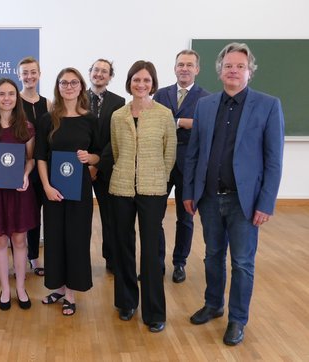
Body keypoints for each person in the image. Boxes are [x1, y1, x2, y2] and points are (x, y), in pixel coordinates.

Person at [183, 42, 284, 346]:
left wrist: (266, 202)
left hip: (245, 202)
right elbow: (194, 153)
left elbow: (274, 160)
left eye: (240, 66)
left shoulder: (268, 105)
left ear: (249, 71)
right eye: (228, 65)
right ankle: (214, 304)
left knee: (241, 262)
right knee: (212, 255)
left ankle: (237, 319)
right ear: (220, 70)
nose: (233, 71)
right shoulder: (205, 105)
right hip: (210, 197)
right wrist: (189, 191)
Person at [109, 60, 176, 333]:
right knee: (123, 246)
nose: (141, 84)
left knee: (151, 251)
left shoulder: (164, 114)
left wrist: (156, 176)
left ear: (153, 84)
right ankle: (126, 302)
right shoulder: (118, 115)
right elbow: (115, 150)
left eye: (146, 80)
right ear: (129, 82)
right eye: (137, 80)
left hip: (153, 189)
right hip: (122, 187)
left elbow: (169, 154)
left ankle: (154, 312)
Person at [35, 67, 101, 316]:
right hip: (52, 190)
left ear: (81, 87)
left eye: (74, 83)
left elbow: (99, 155)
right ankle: (58, 288)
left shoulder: (90, 119)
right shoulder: (47, 119)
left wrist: (89, 157)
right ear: (58, 86)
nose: (69, 87)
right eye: (64, 82)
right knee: (54, 239)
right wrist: (46, 187)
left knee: (75, 239)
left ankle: (71, 293)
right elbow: (40, 156)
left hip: (79, 191)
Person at [0, 78, 38, 310]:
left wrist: (25, 174)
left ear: (17, 97)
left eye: (11, 94)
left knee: (20, 240)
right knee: (0, 241)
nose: (6, 98)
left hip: (19, 190)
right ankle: (5, 289)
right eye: (1, 94)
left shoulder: (27, 127)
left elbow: (30, 159)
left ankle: (20, 288)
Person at [153, 50, 210, 283]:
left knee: (185, 218)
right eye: (180, 64)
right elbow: (151, 121)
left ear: (197, 69)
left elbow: (208, 127)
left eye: (189, 65)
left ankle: (179, 263)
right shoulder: (161, 94)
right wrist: (184, 124)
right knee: (153, 217)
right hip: (161, 164)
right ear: (174, 68)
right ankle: (156, 263)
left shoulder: (206, 98)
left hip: (189, 166)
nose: (184, 68)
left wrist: (180, 122)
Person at [87, 59, 126, 273]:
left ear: (110, 77)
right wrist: (87, 163)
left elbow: (116, 137)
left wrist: (99, 163)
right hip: (80, 166)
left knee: (110, 217)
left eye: (104, 71)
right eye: (96, 70)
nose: (99, 74)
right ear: (90, 72)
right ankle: (80, 260)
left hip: (107, 167)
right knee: (80, 218)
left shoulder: (119, 102)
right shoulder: (76, 97)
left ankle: (111, 259)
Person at [17, 56, 51, 276]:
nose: (29, 76)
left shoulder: (47, 103)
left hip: (43, 165)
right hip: (18, 167)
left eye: (33, 72)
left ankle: (34, 257)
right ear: (18, 75)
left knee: (38, 213)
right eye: (25, 73)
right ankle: (19, 256)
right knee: (22, 213)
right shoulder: (13, 101)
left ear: (39, 74)